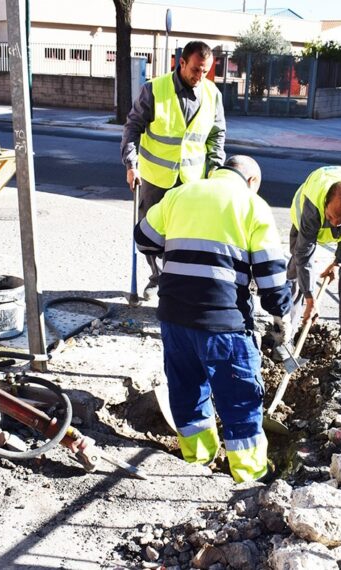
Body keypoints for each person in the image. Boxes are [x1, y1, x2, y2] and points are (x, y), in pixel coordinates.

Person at [134, 155, 291, 483]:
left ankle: (197, 459)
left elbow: (144, 239)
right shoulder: (253, 204)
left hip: (174, 318)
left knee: (187, 391)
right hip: (224, 325)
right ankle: (247, 477)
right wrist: (281, 316)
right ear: (252, 181)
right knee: (239, 400)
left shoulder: (181, 194)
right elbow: (271, 276)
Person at [121, 40, 226, 301]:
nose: (199, 76)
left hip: (191, 182)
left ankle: (175, 282)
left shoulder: (213, 95)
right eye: (195, 69)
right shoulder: (155, 90)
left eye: (205, 71)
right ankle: (156, 277)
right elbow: (132, 128)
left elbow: (217, 135)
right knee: (150, 233)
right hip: (156, 178)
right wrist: (131, 165)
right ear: (181, 63)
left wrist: (214, 167)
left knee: (184, 235)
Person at [287, 166, 341, 338]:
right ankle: (285, 331)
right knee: (297, 268)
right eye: (330, 217)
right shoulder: (312, 205)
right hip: (304, 225)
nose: (335, 223)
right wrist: (310, 298)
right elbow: (304, 255)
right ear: (325, 204)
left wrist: (338, 262)